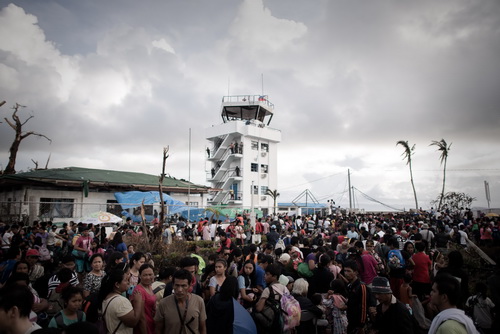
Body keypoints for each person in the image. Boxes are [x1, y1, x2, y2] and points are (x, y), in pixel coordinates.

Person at [155, 269, 207, 334]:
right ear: (173, 285)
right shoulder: (163, 303)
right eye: (177, 285)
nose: (179, 290)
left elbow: (203, 328)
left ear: (190, 285)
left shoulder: (199, 301)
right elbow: (158, 329)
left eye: (183, 286)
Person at [99, 268, 144, 334]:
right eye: (125, 280)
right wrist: (138, 301)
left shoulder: (107, 297)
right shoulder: (120, 301)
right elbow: (133, 322)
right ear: (117, 284)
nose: (128, 282)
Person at [343, 260, 376, 334]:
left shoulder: (361, 287)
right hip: (351, 321)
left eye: (349, 271)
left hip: (359, 324)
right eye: (345, 271)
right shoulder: (350, 286)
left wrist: (361, 326)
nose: (346, 273)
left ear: (356, 272)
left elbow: (363, 307)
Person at [130, 264, 156, 334]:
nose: (148, 277)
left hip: (151, 324)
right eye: (145, 275)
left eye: (150, 274)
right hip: (144, 327)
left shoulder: (149, 287)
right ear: (140, 276)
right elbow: (141, 317)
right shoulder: (139, 291)